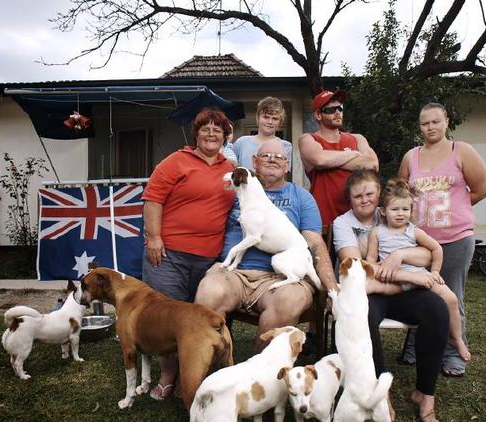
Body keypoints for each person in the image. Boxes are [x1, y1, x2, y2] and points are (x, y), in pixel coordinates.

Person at [332, 169, 449, 422]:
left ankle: (425, 393)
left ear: (379, 195)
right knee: (365, 317)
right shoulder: (343, 223)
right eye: (357, 195)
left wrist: (399, 256)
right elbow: (355, 265)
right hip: (371, 289)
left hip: (402, 289)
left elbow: (428, 255)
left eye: (370, 193)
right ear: (350, 199)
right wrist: (407, 272)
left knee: (437, 310)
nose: (365, 200)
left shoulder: (394, 209)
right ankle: (380, 390)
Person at [195, 139, 338, 353]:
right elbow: (205, 223)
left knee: (289, 301)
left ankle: (258, 374)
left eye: (279, 157)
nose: (272, 160)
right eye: (266, 156)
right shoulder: (234, 193)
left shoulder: (301, 197)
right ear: (254, 162)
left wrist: (332, 288)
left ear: (288, 165)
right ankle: (212, 366)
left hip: (279, 277)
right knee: (208, 292)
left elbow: (315, 243)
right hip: (234, 274)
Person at [141, 108, 236, 401]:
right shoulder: (175, 162)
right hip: (169, 256)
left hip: (210, 260)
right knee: (170, 319)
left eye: (217, 130)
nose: (211, 134)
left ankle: (206, 377)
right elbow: (153, 200)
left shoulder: (231, 169)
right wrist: (154, 237)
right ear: (195, 134)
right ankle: (169, 377)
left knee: (205, 319)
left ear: (225, 136)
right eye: (205, 129)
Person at [399, 102, 486, 378]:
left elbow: (482, 189)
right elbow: (401, 196)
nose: (431, 127)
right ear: (420, 126)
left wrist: (453, 209)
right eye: (425, 123)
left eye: (436, 122)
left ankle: (453, 354)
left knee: (451, 295)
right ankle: (415, 346)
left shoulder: (461, 151)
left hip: (455, 238)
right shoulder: (410, 157)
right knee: (418, 292)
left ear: (446, 121)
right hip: (419, 242)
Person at [366, 178, 471, 362]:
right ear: (383, 211)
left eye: (405, 209)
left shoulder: (413, 231)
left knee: (451, 299)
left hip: (419, 277)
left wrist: (435, 272)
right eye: (395, 209)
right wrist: (374, 272)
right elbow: (370, 260)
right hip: (393, 278)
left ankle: (457, 339)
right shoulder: (377, 232)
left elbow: (436, 248)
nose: (400, 214)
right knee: (369, 287)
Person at [299, 89, 379, 228]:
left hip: (359, 220)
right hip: (324, 222)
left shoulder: (357, 138)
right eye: (330, 110)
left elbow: (372, 164)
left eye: (340, 108)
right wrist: (354, 154)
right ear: (318, 115)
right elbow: (320, 160)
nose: (337, 113)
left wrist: (331, 160)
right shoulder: (309, 139)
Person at [233, 97, 292, 170]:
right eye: (266, 117)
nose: (270, 122)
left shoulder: (286, 146)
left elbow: (283, 175)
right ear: (258, 118)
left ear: (280, 123)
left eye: (275, 119)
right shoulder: (241, 142)